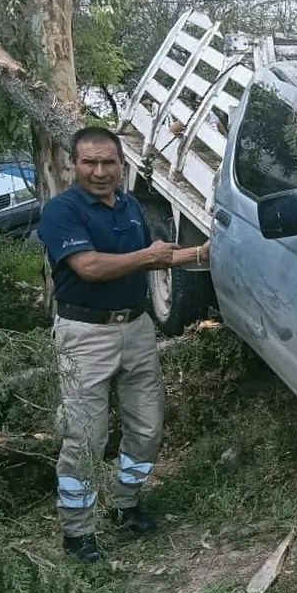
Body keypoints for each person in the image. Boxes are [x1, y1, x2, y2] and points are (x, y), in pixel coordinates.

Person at [38, 126, 211, 563]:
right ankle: (77, 532)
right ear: (73, 165)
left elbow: (155, 255)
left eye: (108, 162)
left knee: (147, 427)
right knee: (84, 438)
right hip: (85, 336)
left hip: (136, 329)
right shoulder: (63, 212)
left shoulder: (129, 205)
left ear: (121, 165)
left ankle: (125, 502)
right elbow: (90, 267)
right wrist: (148, 257)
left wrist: (200, 254)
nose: (100, 171)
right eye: (90, 162)